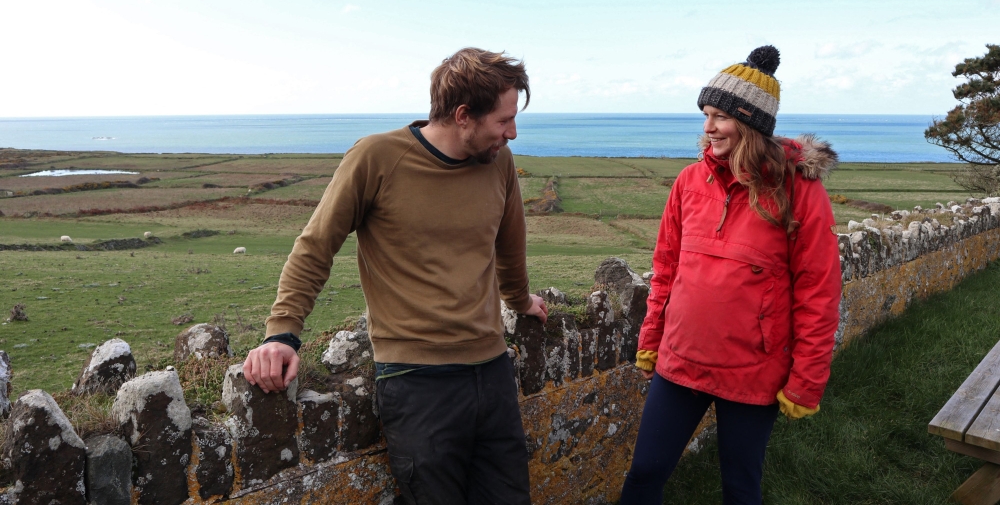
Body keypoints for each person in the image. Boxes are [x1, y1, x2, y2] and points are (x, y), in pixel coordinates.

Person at [243, 47, 548, 505]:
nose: (513, 132)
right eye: (504, 120)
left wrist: (521, 300)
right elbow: (316, 246)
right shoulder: (376, 158)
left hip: (492, 370)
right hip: (416, 379)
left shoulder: (497, 161)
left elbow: (509, 247)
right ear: (464, 115)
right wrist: (281, 334)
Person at [619, 45, 842, 505]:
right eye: (706, 114)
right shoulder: (688, 182)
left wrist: (805, 380)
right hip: (680, 359)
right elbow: (666, 269)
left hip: (754, 370)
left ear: (750, 122)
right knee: (644, 474)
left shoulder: (799, 190)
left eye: (719, 115)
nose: (708, 127)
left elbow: (818, 290)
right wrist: (651, 336)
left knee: (740, 487)